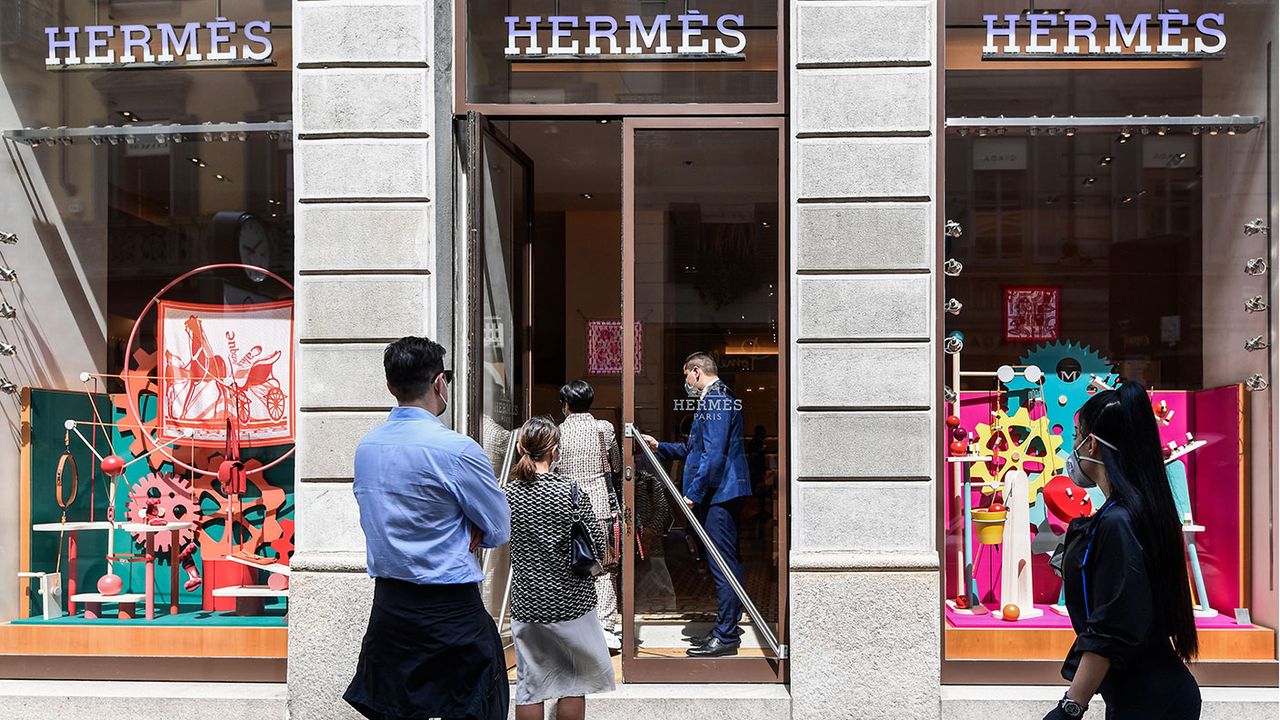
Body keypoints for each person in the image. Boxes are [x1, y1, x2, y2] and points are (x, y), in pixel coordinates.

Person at [344, 337, 512, 720]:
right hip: (451, 609)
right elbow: (499, 528)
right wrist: (470, 527)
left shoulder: (367, 448)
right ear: (440, 383)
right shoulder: (456, 450)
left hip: (390, 606)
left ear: (391, 387)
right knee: (479, 706)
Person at [1044, 381, 1200, 720]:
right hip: (1147, 697)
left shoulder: (1120, 520)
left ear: (1094, 446)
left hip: (1150, 702)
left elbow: (1112, 627)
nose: (1072, 448)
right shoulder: (1129, 512)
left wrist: (1071, 707)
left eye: (1076, 437)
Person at [641, 351, 751, 657]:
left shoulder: (716, 399)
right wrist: (660, 446)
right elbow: (695, 449)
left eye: (686, 376)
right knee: (724, 560)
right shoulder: (714, 398)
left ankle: (726, 634)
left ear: (696, 372)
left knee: (721, 563)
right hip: (718, 493)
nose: (685, 383)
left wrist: (695, 493)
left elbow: (713, 455)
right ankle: (728, 623)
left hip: (719, 494)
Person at [507, 416, 616, 720]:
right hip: (571, 603)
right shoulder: (570, 493)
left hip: (527, 602)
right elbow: (596, 542)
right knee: (572, 683)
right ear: (555, 451)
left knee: (530, 684)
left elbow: (495, 535)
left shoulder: (509, 495)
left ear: (520, 448)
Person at [554, 380, 623, 649]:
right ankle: (605, 628)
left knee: (571, 567)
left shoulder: (557, 433)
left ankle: (576, 626)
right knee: (604, 569)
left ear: (566, 405)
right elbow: (616, 465)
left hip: (568, 508)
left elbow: (554, 470)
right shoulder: (604, 429)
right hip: (600, 508)